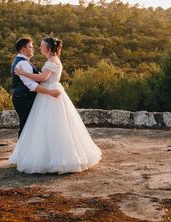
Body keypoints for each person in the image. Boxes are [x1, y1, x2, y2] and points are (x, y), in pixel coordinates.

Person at [8, 37, 102, 174]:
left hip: (51, 94)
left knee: (52, 126)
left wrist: (23, 73)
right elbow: (41, 78)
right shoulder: (49, 60)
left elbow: (42, 78)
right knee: (47, 126)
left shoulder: (52, 61)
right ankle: (44, 156)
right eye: (35, 46)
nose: (39, 48)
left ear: (49, 48)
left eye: (41, 46)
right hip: (47, 94)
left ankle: (54, 159)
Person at [10, 37, 61, 138]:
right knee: (26, 127)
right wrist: (50, 92)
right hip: (24, 99)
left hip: (24, 97)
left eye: (41, 46)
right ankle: (22, 151)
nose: (34, 49)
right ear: (23, 50)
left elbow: (41, 77)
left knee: (29, 126)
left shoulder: (22, 61)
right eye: (31, 47)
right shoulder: (23, 63)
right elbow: (32, 85)